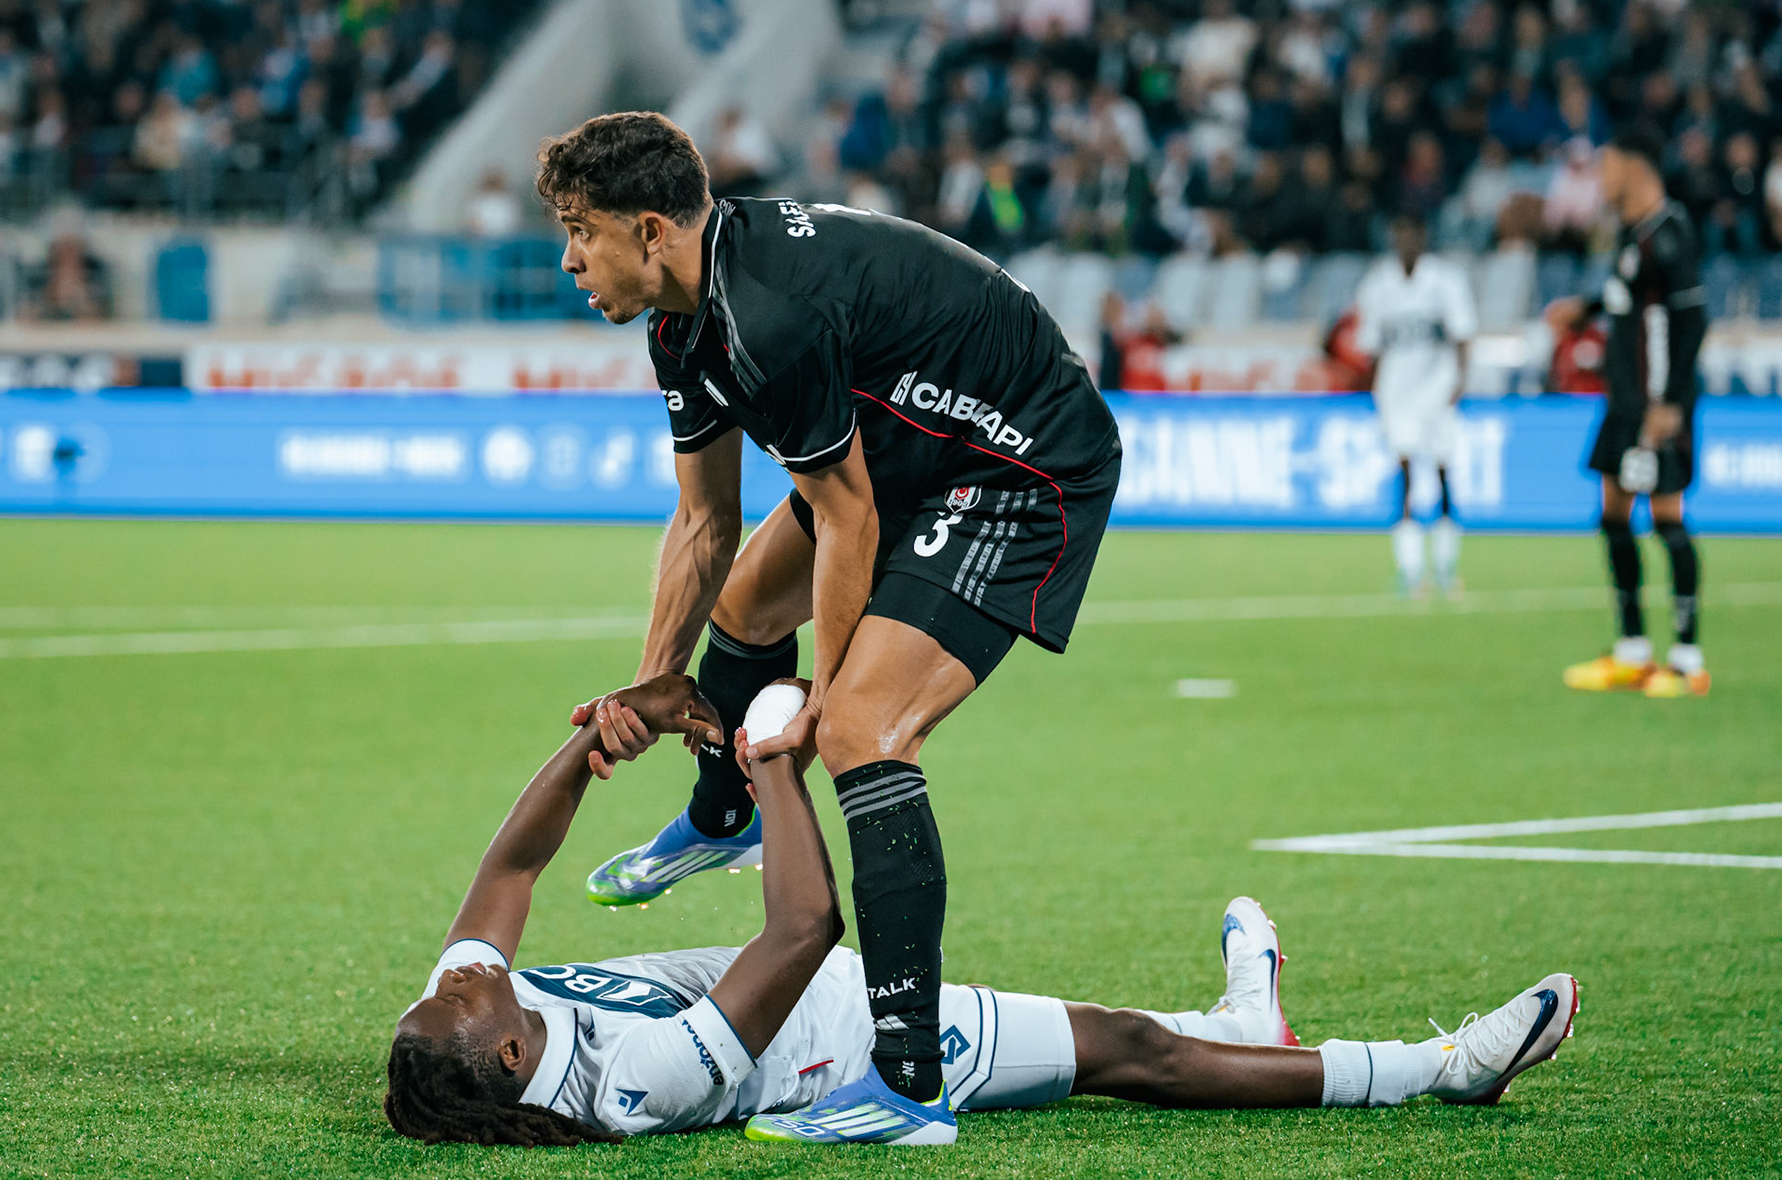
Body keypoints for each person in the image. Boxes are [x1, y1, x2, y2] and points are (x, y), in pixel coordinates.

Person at [534, 111, 1123, 1142]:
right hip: (910, 449)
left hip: (1019, 461)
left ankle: (908, 1084)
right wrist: (657, 681)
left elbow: (847, 517)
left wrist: (825, 699)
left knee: (862, 728)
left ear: (652, 229)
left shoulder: (767, 311)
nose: (570, 257)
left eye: (582, 230)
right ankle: (726, 817)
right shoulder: (681, 320)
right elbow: (705, 519)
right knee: (746, 606)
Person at [383, 675, 1581, 1148]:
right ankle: (1435, 1068)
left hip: (816, 996)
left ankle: (1250, 1023)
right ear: (501, 1047)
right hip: (839, 1042)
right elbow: (801, 933)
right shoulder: (633, 1081)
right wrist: (774, 770)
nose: (455, 969)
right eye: (459, 989)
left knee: (1128, 1033)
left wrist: (591, 741)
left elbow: (508, 874)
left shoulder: (472, 1033)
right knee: (1135, 1057)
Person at [1550, 124, 1711, 698]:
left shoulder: (1670, 235)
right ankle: (1634, 651)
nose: (1601, 178)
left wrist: (1669, 405)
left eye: (1608, 166)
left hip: (1657, 407)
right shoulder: (1631, 235)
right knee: (1614, 518)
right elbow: (1629, 301)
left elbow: (1691, 321)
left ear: (1636, 169)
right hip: (1623, 405)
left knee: (1666, 519)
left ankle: (1688, 660)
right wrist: (1583, 309)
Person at [1353, 212, 1478, 597]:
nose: (1406, 241)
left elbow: (1462, 334)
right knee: (1405, 473)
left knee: (1443, 473)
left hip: (1438, 390)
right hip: (1397, 393)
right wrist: (1374, 388)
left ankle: (1445, 566)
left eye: (1412, 233)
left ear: (1423, 237)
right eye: (1399, 233)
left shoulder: (1445, 281)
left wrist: (1459, 379)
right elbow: (1370, 345)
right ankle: (1411, 570)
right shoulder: (1377, 284)